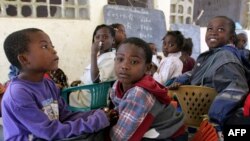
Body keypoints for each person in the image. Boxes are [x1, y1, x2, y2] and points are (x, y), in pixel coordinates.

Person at [2, 28, 111, 141]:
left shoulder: (49, 84)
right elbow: (49, 131)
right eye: (45, 46)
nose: (54, 51)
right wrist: (96, 121)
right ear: (24, 59)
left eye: (52, 46)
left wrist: (97, 113)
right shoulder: (18, 93)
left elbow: (65, 117)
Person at [169, 16, 249, 132]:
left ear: (231, 38)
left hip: (202, 116)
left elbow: (236, 88)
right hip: (192, 110)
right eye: (210, 29)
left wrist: (214, 119)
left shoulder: (226, 56)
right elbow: (194, 73)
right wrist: (178, 81)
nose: (213, 33)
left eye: (220, 30)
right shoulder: (211, 55)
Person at [109, 37, 186, 141]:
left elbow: (120, 137)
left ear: (148, 68)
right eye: (120, 59)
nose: (124, 66)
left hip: (168, 135)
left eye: (134, 62)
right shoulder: (117, 85)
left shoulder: (140, 93)